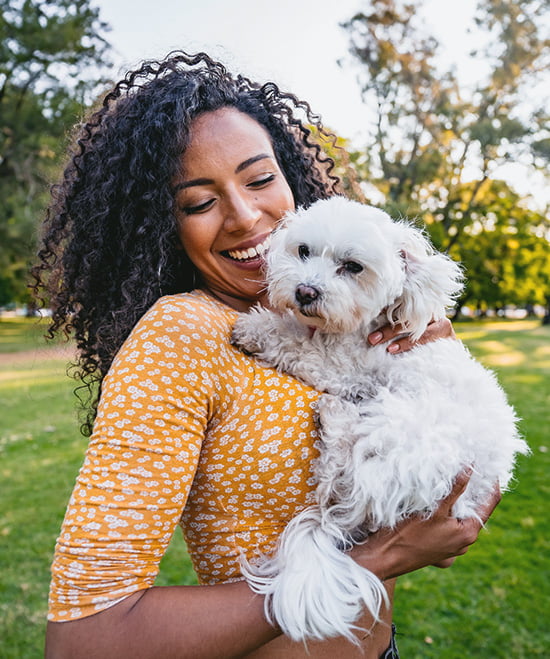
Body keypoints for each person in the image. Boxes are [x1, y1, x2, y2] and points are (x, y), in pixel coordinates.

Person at [34, 51, 500, 659]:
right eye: (199, 203)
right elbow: (83, 639)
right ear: (157, 225)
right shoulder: (182, 334)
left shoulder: (350, 318)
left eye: (260, 180)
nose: (247, 217)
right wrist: (380, 558)